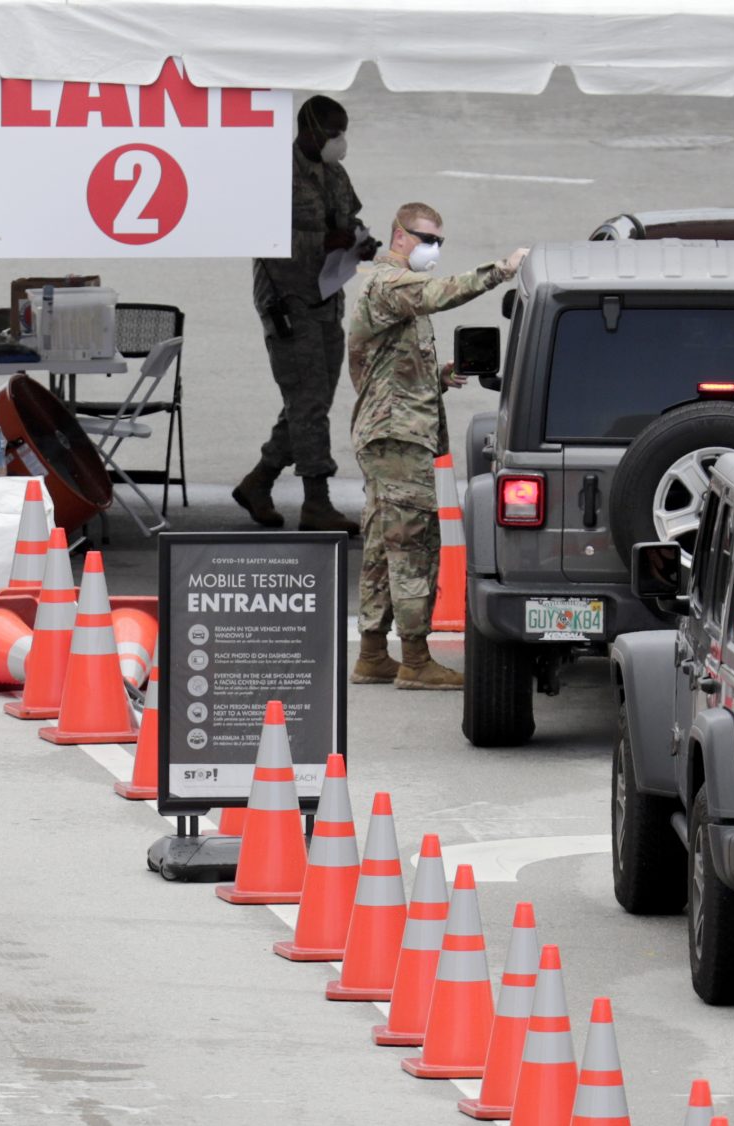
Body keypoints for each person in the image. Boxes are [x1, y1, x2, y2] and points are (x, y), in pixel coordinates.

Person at [346, 202, 526, 689]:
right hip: (397, 437)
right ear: (398, 236)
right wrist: (501, 270)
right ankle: (416, 660)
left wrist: (441, 375)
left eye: (439, 241)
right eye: (426, 238)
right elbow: (438, 293)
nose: (433, 249)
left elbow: (388, 370)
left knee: (385, 543)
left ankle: (372, 654)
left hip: (392, 432)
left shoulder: (392, 294)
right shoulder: (389, 284)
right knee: (412, 545)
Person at [234, 94, 376, 535]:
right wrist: (323, 244)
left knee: (311, 400)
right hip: (288, 301)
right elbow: (263, 238)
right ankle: (316, 500)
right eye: (333, 132)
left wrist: (359, 242)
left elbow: (349, 220)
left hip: (327, 296)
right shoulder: (277, 176)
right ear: (309, 129)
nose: (340, 141)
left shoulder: (334, 173)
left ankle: (259, 481)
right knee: (308, 402)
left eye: (343, 132)